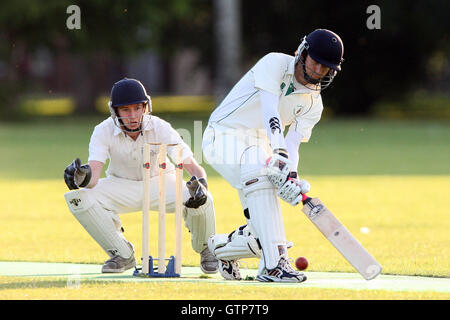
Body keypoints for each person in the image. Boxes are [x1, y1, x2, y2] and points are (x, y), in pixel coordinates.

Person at [203, 29, 344, 282]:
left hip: (260, 150)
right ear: (302, 52)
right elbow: (271, 112)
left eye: (326, 68)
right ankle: (274, 266)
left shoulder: (314, 104)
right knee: (262, 166)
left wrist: (291, 176)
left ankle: (220, 248)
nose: (319, 71)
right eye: (316, 62)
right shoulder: (274, 63)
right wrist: (278, 156)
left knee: (262, 236)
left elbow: (292, 146)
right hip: (223, 135)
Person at [64, 78, 218, 274]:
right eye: (126, 110)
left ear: (146, 107)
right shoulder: (103, 131)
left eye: (138, 108)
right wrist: (79, 177)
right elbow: (92, 178)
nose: (133, 115)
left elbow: (193, 168)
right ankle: (122, 254)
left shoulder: (160, 127)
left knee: (204, 198)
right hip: (121, 185)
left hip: (161, 183)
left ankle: (207, 250)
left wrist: (201, 185)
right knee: (79, 197)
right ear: (115, 111)